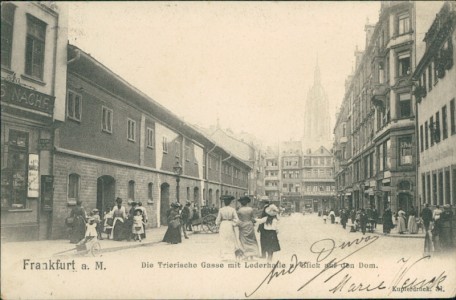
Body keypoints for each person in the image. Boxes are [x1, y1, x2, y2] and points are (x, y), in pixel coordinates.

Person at [215, 195, 239, 261]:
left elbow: (218, 220)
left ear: (224, 202)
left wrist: (218, 224)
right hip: (230, 225)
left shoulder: (221, 210)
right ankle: (231, 254)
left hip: (223, 224)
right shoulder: (232, 209)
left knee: (223, 238)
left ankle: (223, 254)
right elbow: (236, 219)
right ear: (230, 202)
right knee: (231, 238)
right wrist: (233, 223)